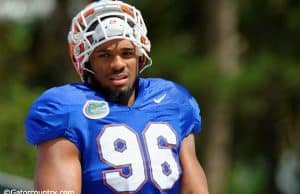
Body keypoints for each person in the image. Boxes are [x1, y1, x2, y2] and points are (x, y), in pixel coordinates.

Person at [25, 0, 209, 193]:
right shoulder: (66, 109)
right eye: (104, 55)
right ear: (87, 62)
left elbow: (194, 189)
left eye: (127, 53)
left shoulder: (173, 100)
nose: (118, 64)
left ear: (140, 57)